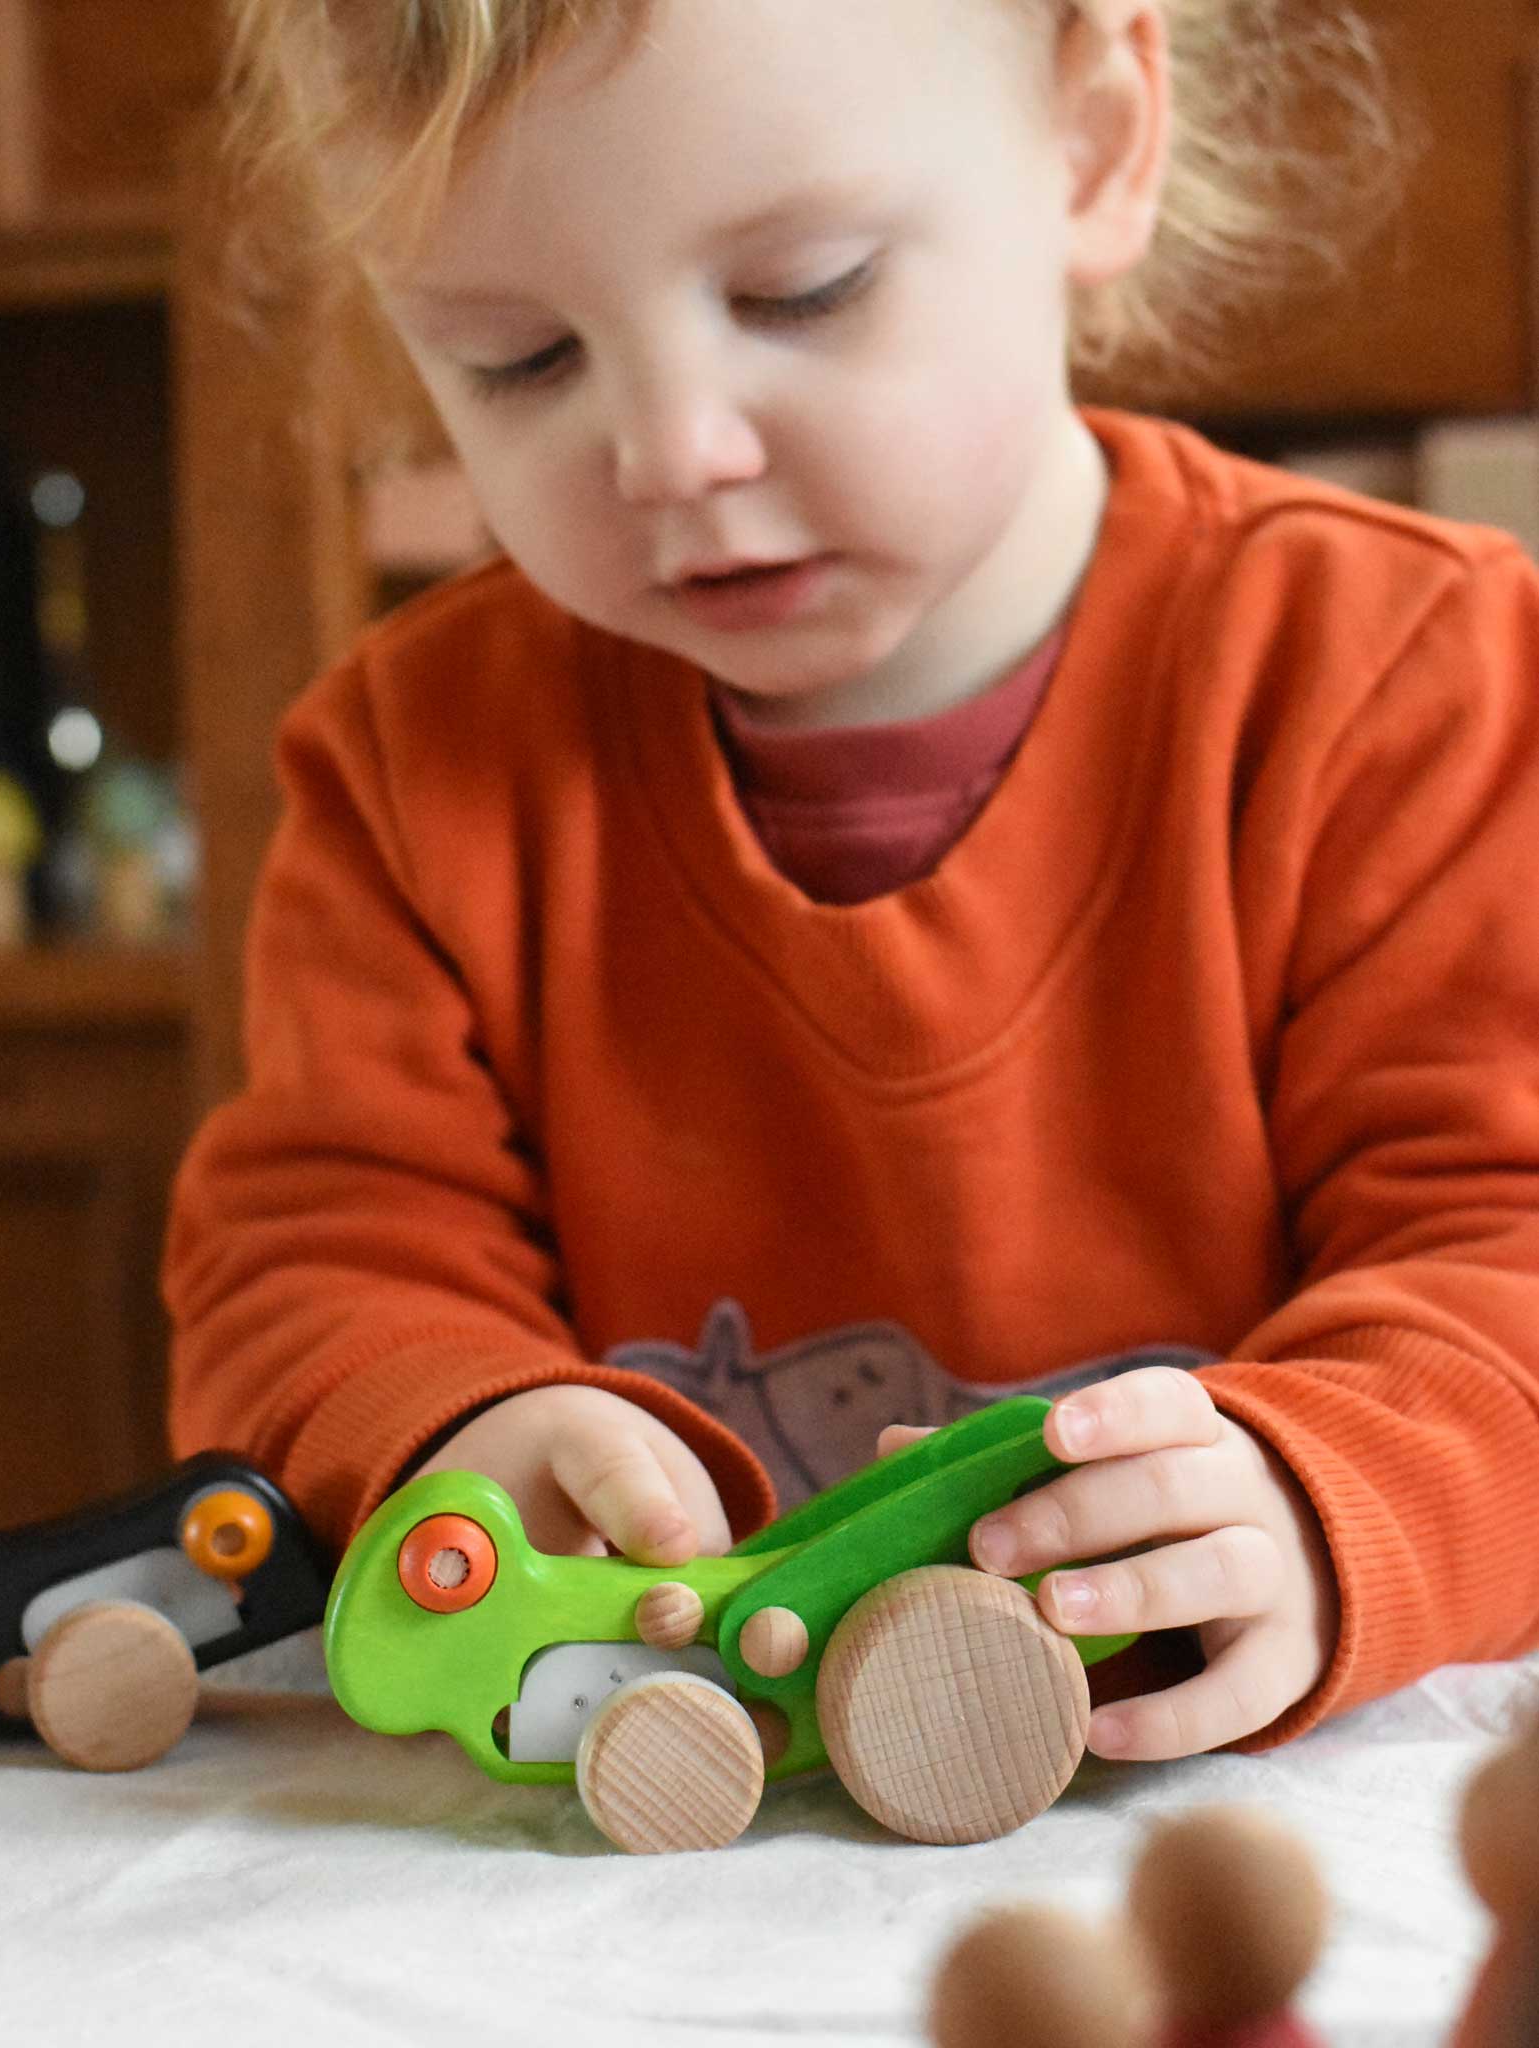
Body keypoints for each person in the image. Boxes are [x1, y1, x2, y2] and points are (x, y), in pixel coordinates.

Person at [165, 0, 1539, 1766]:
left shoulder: (1412, 681)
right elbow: (314, 1259)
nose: (672, 452)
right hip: (643, 1848)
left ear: (1098, 142)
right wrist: (445, 1427)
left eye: (800, 292)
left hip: (1193, 1844)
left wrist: (1317, 1488)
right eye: (519, 360)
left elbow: (1506, 1251)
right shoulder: (406, 765)